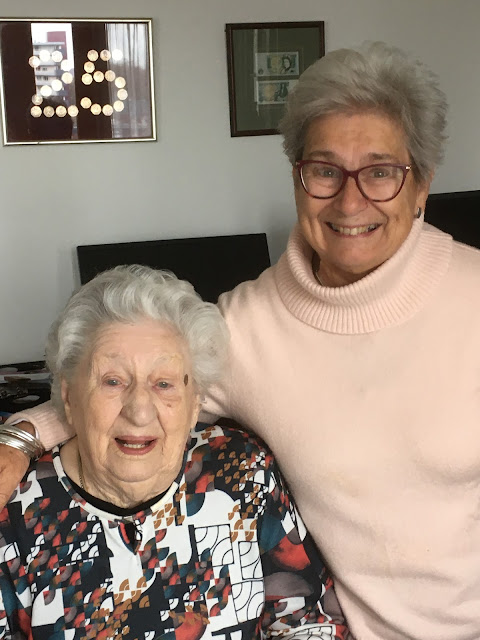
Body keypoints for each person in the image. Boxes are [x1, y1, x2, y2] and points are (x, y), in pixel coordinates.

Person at [1, 40, 479, 639]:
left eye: (381, 172)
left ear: (422, 185)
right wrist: (19, 437)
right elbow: (127, 382)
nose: (351, 199)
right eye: (325, 170)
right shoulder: (247, 325)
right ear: (297, 178)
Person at [0, 265, 350, 639]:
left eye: (164, 384)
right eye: (112, 381)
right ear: (69, 397)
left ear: (195, 401)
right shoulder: (15, 508)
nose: (139, 411)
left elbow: (305, 619)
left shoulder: (242, 473)